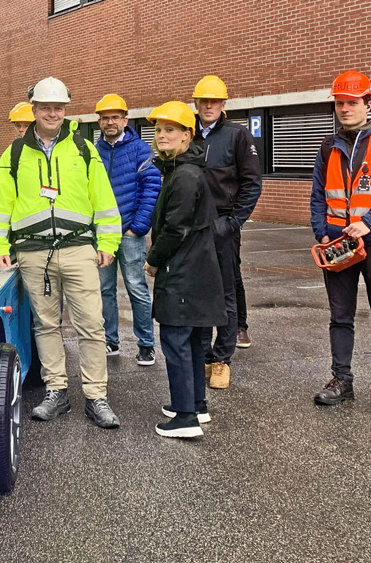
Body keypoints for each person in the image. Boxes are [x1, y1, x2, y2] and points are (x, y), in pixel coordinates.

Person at [0, 77, 123, 429]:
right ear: (33, 110)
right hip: (34, 253)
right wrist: (0, 245)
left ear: (65, 110)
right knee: (46, 325)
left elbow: (104, 201)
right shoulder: (14, 153)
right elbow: (0, 204)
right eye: (45, 107)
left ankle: (96, 396)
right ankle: (56, 391)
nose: (52, 113)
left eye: (58, 107)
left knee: (92, 325)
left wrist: (108, 243)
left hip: (78, 248)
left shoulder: (83, 149)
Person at [310, 70, 371, 416]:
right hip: (338, 243)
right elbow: (319, 193)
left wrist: (369, 222)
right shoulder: (328, 146)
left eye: (352, 102)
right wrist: (320, 230)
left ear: (368, 102)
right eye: (340, 103)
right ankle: (341, 380)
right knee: (340, 316)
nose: (345, 108)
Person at [142, 101, 226, 439]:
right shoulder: (184, 169)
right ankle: (194, 404)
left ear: (187, 135)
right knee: (191, 340)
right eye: (159, 129)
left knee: (176, 340)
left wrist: (154, 259)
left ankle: (185, 418)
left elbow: (176, 228)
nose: (162, 135)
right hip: (195, 270)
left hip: (184, 272)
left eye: (170, 130)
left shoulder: (185, 175)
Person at [191, 75, 262, 388]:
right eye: (204, 100)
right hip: (193, 227)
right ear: (196, 102)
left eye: (214, 101)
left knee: (225, 293)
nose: (208, 106)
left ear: (223, 105)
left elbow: (252, 184)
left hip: (223, 225)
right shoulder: (187, 132)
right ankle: (205, 355)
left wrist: (233, 222)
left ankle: (222, 359)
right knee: (199, 292)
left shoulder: (237, 135)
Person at [93, 93, 162, 365]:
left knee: (136, 287)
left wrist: (138, 227)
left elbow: (151, 189)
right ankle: (111, 340)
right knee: (104, 289)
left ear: (125, 119)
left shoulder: (141, 149)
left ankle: (146, 344)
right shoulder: (93, 152)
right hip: (101, 235)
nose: (110, 122)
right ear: (99, 121)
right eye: (105, 117)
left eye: (115, 117)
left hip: (129, 233)